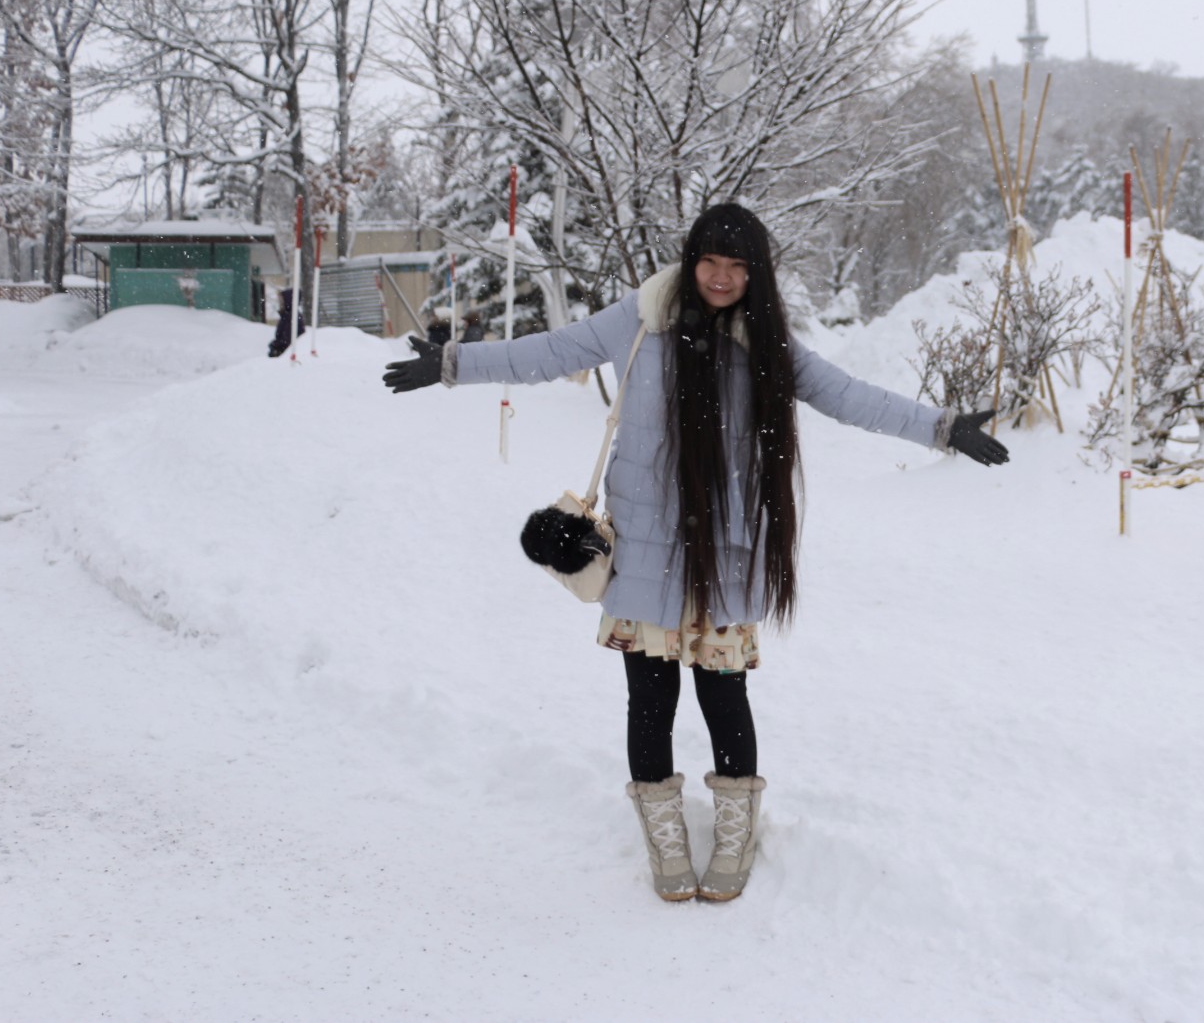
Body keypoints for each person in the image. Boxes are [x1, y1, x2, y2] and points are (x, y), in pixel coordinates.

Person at [381, 203, 1007, 903]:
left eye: (738, 266)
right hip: (646, 548)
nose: (721, 277)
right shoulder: (643, 318)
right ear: (691, 259)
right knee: (649, 698)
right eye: (711, 261)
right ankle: (665, 835)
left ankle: (735, 834)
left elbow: (848, 395)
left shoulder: (766, 342)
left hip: (727, 552)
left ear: (755, 273)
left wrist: (943, 427)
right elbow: (550, 351)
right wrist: (452, 363)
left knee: (723, 695)